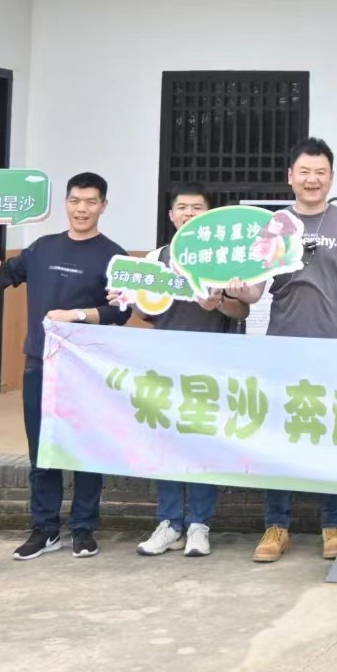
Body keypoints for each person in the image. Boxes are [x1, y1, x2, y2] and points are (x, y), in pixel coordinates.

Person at [0, 172, 128, 561]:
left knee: (86, 450)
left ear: (103, 206)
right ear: (66, 203)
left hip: (87, 368)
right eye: (75, 201)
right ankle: (44, 529)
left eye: (90, 202)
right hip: (41, 364)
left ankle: (84, 529)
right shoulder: (42, 248)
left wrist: (77, 315)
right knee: (42, 450)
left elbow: (121, 312)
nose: (81, 209)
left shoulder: (114, 256)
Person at [231, 138, 337, 564]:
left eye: (321, 173)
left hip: (336, 350)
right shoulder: (272, 227)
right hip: (283, 349)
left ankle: (333, 525)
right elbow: (255, 290)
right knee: (280, 439)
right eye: (305, 172)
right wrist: (238, 288)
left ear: (331, 178)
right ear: (290, 177)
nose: (312, 180)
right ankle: (277, 526)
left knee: (334, 438)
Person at [133, 183, 248, 559]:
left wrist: (219, 303)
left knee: (202, 443)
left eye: (197, 208)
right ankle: (170, 523)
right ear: (171, 215)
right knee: (167, 444)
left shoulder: (223, 258)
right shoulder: (156, 259)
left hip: (209, 365)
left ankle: (199, 524)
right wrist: (128, 299)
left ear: (208, 216)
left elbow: (241, 311)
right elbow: (147, 312)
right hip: (166, 364)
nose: (188, 214)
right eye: (182, 207)